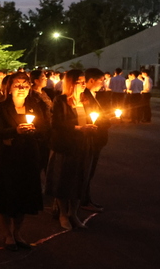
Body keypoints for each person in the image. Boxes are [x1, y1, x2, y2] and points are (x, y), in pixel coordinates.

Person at [0, 73, 47, 251]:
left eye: (25, 85)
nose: (21, 88)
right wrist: (15, 131)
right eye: (17, 85)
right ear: (9, 87)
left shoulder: (35, 105)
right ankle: (8, 233)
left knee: (24, 194)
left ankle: (18, 231)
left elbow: (45, 128)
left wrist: (34, 131)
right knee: (7, 194)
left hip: (29, 155)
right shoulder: (1, 107)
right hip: (9, 156)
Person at [46, 69, 96, 230]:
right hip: (66, 146)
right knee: (63, 180)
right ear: (71, 83)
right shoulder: (60, 100)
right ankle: (62, 214)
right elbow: (56, 123)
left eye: (84, 81)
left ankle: (73, 213)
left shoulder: (87, 99)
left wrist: (94, 125)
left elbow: (97, 115)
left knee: (80, 179)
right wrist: (78, 128)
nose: (83, 85)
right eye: (80, 81)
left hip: (83, 145)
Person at [82, 68, 112, 213]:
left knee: (89, 171)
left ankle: (86, 198)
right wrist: (106, 122)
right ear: (92, 80)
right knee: (87, 171)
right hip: (92, 138)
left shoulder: (93, 95)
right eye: (101, 80)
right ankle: (83, 200)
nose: (103, 83)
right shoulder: (85, 97)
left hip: (97, 139)